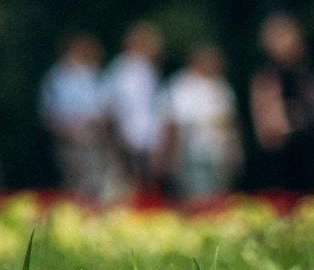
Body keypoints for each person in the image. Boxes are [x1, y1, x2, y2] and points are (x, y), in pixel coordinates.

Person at [250, 13, 314, 192]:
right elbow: (264, 131)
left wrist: (300, 118)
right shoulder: (266, 79)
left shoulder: (312, 76)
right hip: (281, 160)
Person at [158, 45, 243, 200]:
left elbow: (231, 122)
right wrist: (169, 158)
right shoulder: (181, 86)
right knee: (198, 199)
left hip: (220, 154)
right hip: (193, 154)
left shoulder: (221, 86)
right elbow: (175, 125)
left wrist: (235, 150)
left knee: (220, 199)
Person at [37, 34, 109, 198]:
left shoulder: (91, 75)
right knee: (74, 185)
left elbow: (103, 108)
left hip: (93, 137)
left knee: (95, 185)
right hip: (69, 139)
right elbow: (49, 114)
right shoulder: (56, 78)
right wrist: (69, 132)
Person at [103, 22, 164, 195]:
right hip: (129, 139)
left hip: (145, 139)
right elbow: (113, 108)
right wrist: (120, 139)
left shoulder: (147, 69)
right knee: (129, 188)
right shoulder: (123, 70)